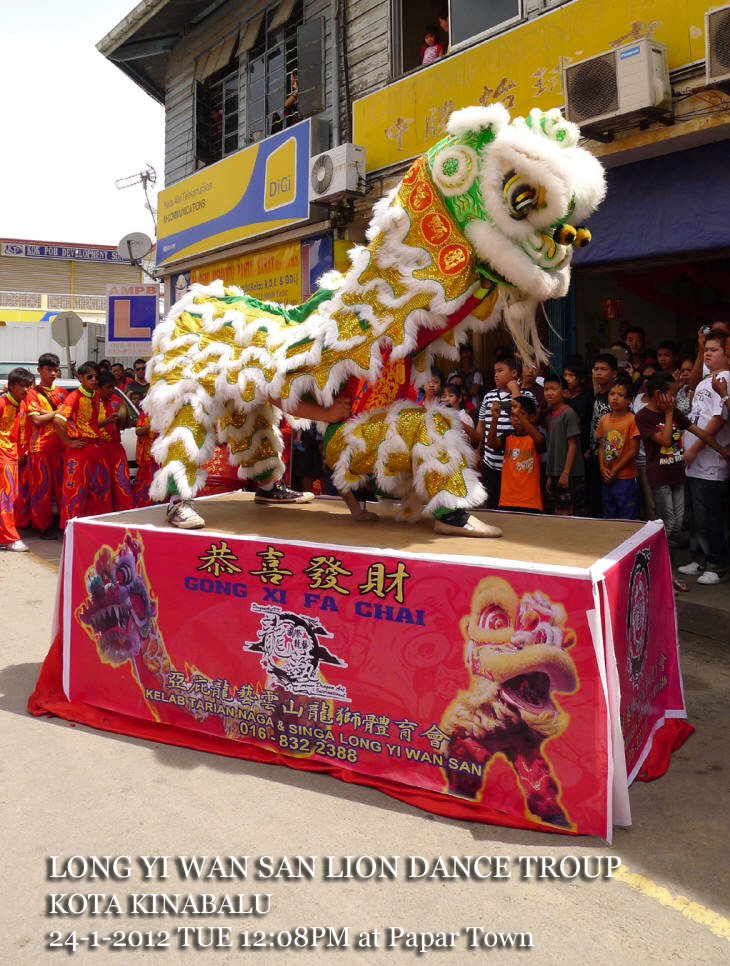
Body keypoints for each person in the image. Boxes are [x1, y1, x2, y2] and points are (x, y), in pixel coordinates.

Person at [636, 370, 730, 570]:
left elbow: (701, 433)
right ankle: (662, 570)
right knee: (667, 524)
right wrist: (669, 413)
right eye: (671, 393)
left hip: (677, 476)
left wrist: (723, 451)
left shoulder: (675, 411)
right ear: (658, 394)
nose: (673, 398)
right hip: (659, 478)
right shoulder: (644, 416)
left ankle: (666, 568)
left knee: (677, 526)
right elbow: (666, 440)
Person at [677, 329, 730, 584]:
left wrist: (694, 449)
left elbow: (719, 419)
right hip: (694, 463)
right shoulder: (704, 380)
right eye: (705, 349)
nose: (708, 353)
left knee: (710, 516)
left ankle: (717, 563)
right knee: (697, 516)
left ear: (727, 354)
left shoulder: (726, 378)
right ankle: (700, 559)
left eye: (714, 350)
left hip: (710, 462)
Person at [53, 362, 110, 526]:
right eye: (89, 376)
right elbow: (58, 419)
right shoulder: (74, 397)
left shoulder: (96, 395)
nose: (94, 380)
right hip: (80, 449)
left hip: (94, 446)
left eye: (96, 377)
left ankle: (89, 525)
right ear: (81, 377)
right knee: (75, 489)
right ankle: (70, 526)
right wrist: (68, 442)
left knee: (95, 488)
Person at [25, 353, 68, 538]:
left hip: (60, 448)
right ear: (39, 370)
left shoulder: (62, 392)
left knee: (62, 489)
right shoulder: (32, 394)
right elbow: (36, 420)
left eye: (55, 370)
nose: (53, 373)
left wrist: (48, 413)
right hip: (39, 449)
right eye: (49, 369)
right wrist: (56, 412)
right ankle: (41, 526)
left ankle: (64, 523)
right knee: (41, 490)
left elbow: (67, 415)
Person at [477, 355, 527, 508]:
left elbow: (523, 414)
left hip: (515, 464)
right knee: (492, 504)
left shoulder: (525, 395)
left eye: (500, 371)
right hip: (490, 462)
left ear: (514, 373)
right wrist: (477, 450)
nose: (496, 375)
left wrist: (515, 391)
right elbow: (481, 425)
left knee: (514, 507)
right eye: (494, 372)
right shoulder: (489, 396)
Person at [487, 395, 544, 513]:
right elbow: (492, 443)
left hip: (530, 502)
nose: (516, 418)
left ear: (532, 417)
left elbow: (540, 441)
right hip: (507, 500)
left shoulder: (534, 437)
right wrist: (494, 418)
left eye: (521, 414)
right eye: (512, 415)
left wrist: (517, 413)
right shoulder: (508, 437)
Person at [0, 368, 33, 551]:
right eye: (22, 385)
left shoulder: (21, 404)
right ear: (11, 386)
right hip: (3, 457)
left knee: (11, 497)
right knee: (6, 499)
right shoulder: (2, 403)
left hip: (12, 457)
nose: (26, 389)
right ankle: (10, 538)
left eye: (28, 386)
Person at [597, 380, 640, 519]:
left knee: (627, 515)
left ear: (629, 400)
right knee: (609, 513)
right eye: (612, 394)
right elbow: (601, 446)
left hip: (625, 477)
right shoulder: (604, 419)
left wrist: (615, 470)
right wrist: (603, 468)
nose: (615, 398)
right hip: (607, 476)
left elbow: (633, 451)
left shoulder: (632, 420)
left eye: (620, 395)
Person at [543, 373, 585, 516]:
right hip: (556, 473)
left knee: (566, 511)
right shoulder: (551, 417)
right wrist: (550, 475)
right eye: (546, 389)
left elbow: (573, 445)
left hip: (569, 473)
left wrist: (565, 473)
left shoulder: (568, 414)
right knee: (557, 509)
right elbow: (553, 449)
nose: (549, 392)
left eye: (553, 388)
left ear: (565, 392)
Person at [97, 370, 135, 512]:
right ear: (98, 388)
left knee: (122, 482)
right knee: (102, 484)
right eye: (108, 387)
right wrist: (107, 421)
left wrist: (125, 420)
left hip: (116, 448)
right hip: (99, 449)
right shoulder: (91, 402)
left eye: (113, 387)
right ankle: (102, 515)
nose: (111, 390)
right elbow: (88, 425)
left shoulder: (118, 401)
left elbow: (128, 423)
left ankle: (125, 513)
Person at [441, 381, 480, 447]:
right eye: (444, 397)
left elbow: (469, 441)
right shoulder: (440, 416)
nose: (447, 399)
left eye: (451, 396)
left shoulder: (465, 418)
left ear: (459, 398)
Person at [447, 343, 484, 410]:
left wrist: (458, 391)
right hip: (455, 404)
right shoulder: (454, 373)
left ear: (472, 354)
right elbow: (449, 390)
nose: (467, 354)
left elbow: (474, 391)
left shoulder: (477, 373)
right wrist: (464, 392)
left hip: (471, 404)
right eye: (464, 352)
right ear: (460, 355)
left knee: (471, 416)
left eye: (468, 352)